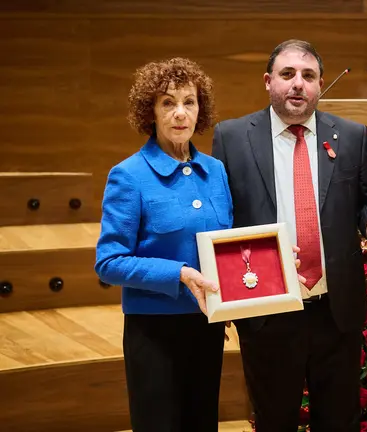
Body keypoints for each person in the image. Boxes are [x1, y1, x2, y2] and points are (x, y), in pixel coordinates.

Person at [211, 39, 367, 432]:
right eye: (287, 74)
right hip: (267, 309)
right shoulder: (232, 137)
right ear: (268, 81)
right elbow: (220, 218)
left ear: (320, 84)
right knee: (274, 420)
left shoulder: (351, 134)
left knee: (339, 420)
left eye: (308, 76)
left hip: (335, 309)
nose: (298, 84)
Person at [95, 58, 232, 432]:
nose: (179, 113)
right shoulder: (128, 175)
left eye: (189, 101)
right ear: (150, 112)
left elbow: (227, 245)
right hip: (153, 332)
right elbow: (109, 262)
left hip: (206, 326)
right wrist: (181, 274)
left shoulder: (215, 171)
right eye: (168, 103)